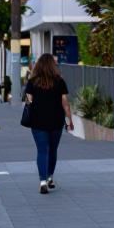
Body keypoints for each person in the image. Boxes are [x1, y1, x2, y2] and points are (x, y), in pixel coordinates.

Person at [23, 54, 74, 194]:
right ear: (53, 65)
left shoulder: (32, 82)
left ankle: (43, 181)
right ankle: (50, 177)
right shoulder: (59, 81)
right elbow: (65, 103)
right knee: (52, 150)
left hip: (38, 121)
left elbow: (29, 101)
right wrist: (70, 121)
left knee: (42, 150)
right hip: (56, 121)